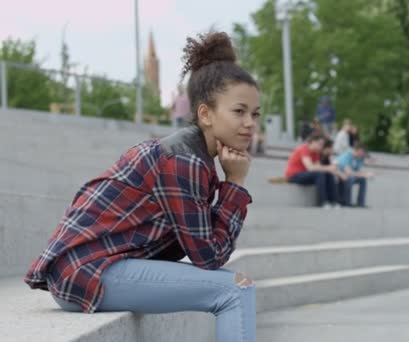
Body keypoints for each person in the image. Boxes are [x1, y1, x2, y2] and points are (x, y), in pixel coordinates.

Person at [24, 32, 259, 342]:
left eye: (255, 114)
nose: (250, 124)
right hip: (88, 272)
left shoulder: (193, 157)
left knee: (233, 287)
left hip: (98, 268)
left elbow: (211, 249)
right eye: (238, 111)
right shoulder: (183, 161)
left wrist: (230, 184)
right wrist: (236, 183)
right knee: (235, 289)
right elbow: (209, 257)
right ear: (205, 114)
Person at [285, 133, 340, 209]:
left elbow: (318, 167)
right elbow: (310, 168)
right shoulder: (304, 149)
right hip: (293, 176)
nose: (321, 147)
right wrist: (328, 168)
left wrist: (329, 169)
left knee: (328, 173)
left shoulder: (316, 153)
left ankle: (334, 201)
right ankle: (323, 202)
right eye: (319, 144)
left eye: (322, 145)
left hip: (305, 175)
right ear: (313, 142)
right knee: (320, 173)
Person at [335, 143, 374, 208]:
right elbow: (348, 172)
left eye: (364, 153)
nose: (363, 154)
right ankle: (347, 202)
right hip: (339, 175)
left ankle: (360, 203)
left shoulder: (359, 158)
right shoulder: (347, 156)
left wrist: (366, 174)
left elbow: (359, 171)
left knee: (362, 180)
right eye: (362, 152)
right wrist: (365, 175)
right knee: (351, 178)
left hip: (348, 175)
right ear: (357, 151)